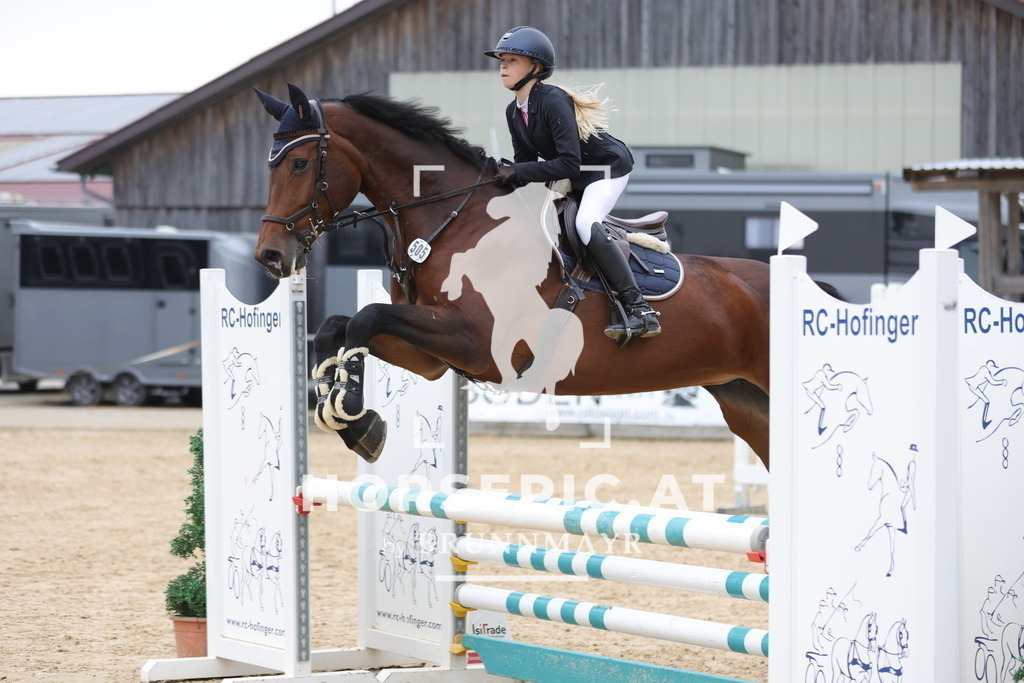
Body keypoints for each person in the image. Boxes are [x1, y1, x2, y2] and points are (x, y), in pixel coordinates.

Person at [484, 26, 661, 340]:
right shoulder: (514, 111)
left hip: (605, 168)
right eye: (502, 60)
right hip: (575, 174)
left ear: (535, 68)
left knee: (585, 222)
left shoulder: (553, 100)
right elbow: (526, 164)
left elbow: (569, 163)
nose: (503, 66)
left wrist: (519, 173)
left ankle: (640, 309)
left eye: (511, 59)